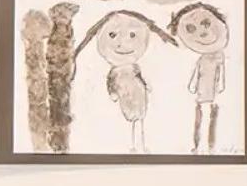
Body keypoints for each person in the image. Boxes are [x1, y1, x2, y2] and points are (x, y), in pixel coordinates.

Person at [73, 10, 178, 153]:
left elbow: (139, 77)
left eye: (132, 35)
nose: (123, 43)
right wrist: (113, 93)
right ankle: (131, 146)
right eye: (112, 35)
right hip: (125, 97)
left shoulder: (134, 67)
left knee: (140, 120)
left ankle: (140, 145)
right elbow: (110, 82)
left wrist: (146, 86)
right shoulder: (115, 71)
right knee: (127, 121)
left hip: (139, 94)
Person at [170, 2, 229, 153]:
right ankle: (197, 145)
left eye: (206, 23)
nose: (202, 32)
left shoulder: (218, 56)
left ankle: (210, 145)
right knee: (200, 117)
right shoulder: (202, 58)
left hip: (213, 93)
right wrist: (191, 85)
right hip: (201, 92)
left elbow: (221, 73)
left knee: (212, 116)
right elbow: (197, 72)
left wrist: (222, 85)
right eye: (191, 29)